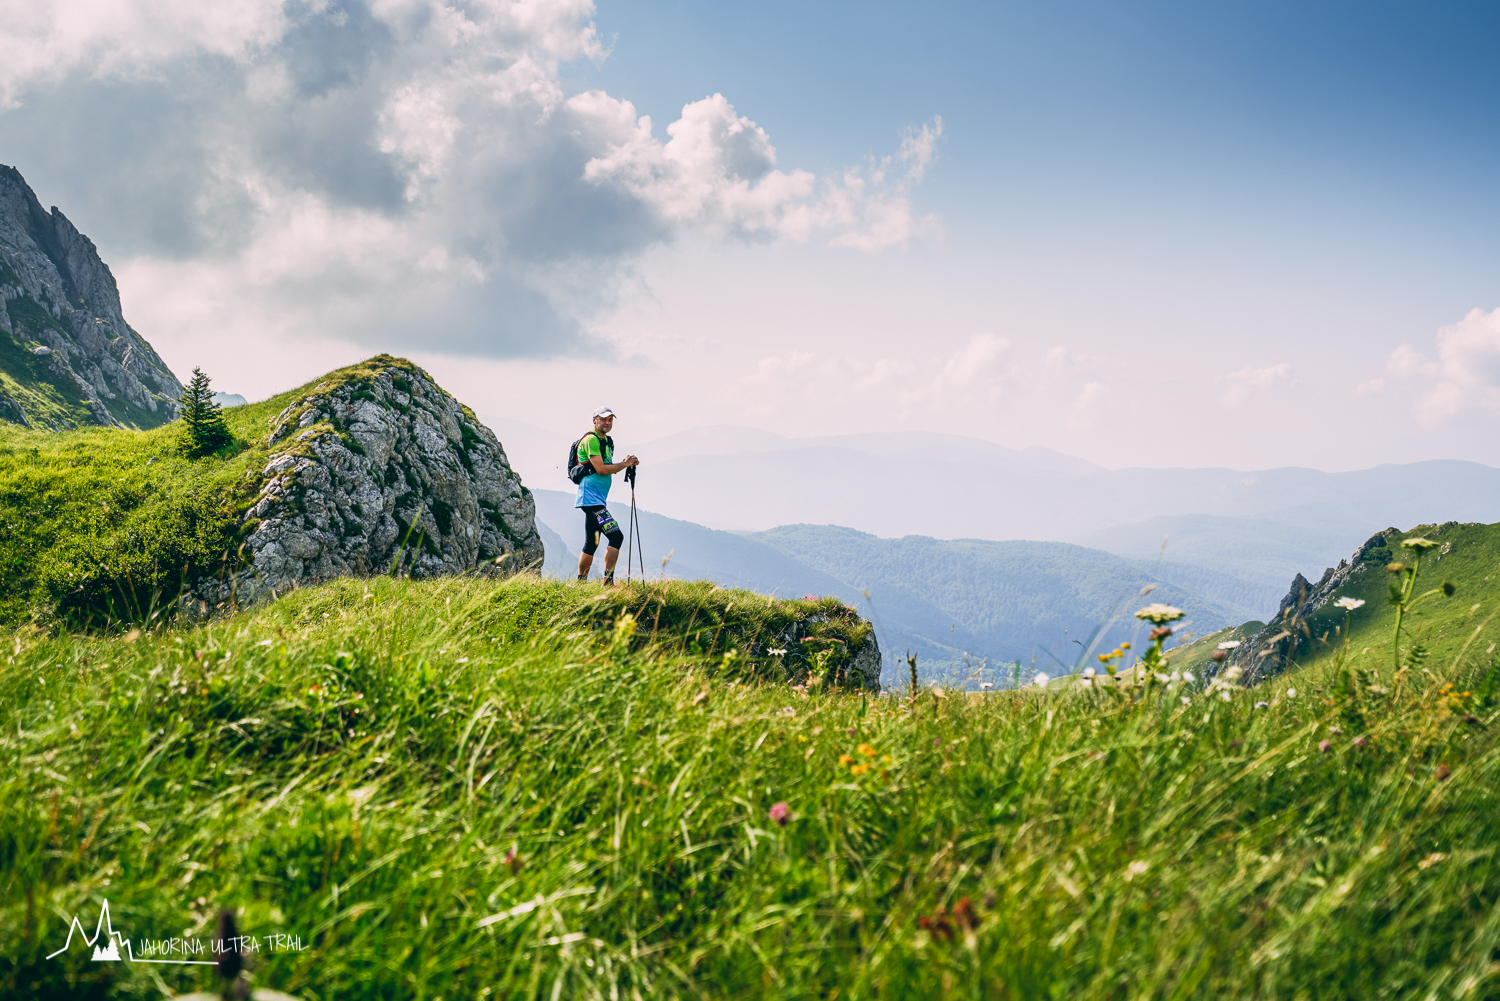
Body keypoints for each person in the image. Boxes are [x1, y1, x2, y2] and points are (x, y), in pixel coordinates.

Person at [575, 407, 639, 585]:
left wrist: (627, 463)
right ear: (594, 420)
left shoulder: (606, 441)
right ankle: (608, 583)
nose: (607, 423)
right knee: (616, 536)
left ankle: (580, 584)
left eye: (610, 420)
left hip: (595, 499)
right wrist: (625, 464)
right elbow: (602, 469)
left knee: (591, 543)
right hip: (591, 499)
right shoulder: (591, 440)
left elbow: (609, 466)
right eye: (603, 419)